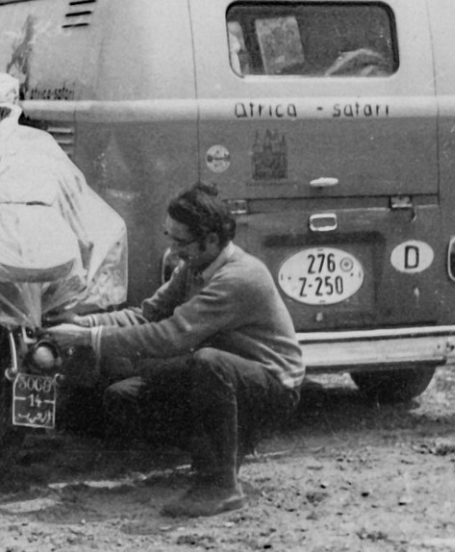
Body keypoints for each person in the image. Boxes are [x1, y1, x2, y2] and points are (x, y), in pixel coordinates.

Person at [46, 183, 304, 517]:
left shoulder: (240, 277)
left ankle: (221, 486)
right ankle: (214, 454)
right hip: (230, 380)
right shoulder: (193, 267)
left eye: (181, 242)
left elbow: (171, 336)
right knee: (123, 397)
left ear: (212, 239)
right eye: (170, 237)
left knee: (208, 362)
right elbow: (147, 314)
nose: (173, 249)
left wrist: (89, 338)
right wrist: (83, 322)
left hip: (271, 388)